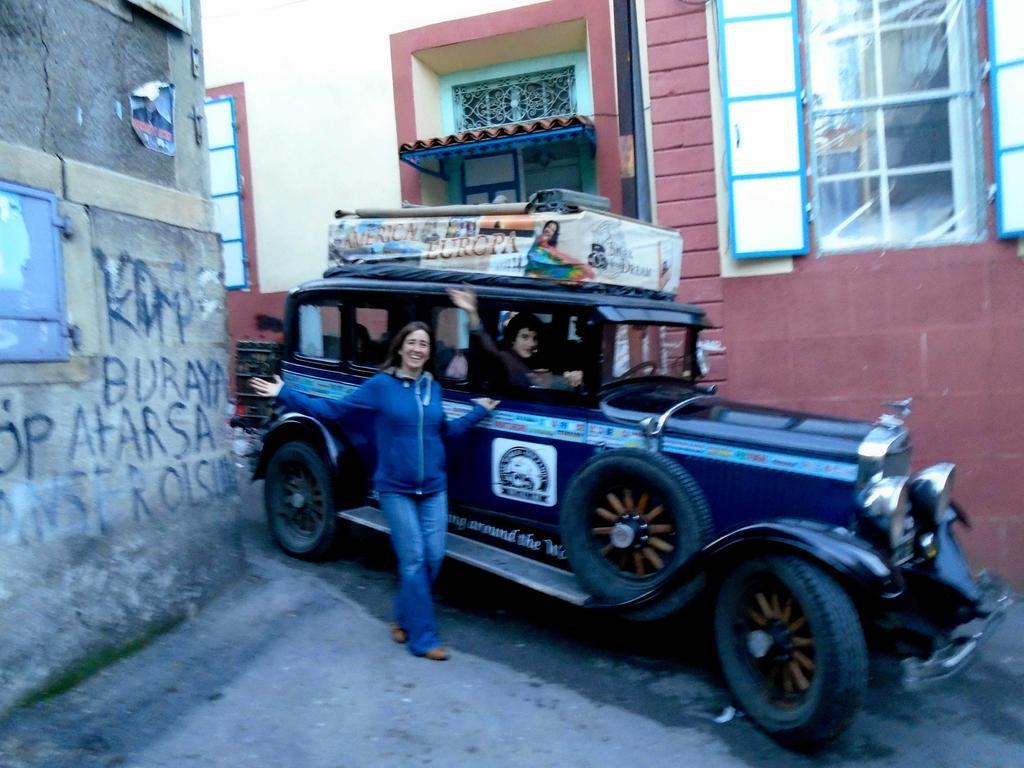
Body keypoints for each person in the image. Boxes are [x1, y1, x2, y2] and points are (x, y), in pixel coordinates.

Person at [251, 322, 499, 661]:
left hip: (433, 488)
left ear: (429, 353)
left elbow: (447, 432)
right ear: (400, 347)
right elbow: (332, 411)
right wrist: (284, 393)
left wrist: (478, 412)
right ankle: (423, 639)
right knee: (413, 559)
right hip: (396, 488)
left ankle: (403, 616)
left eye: (424, 344)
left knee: (433, 557)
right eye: (411, 342)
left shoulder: (432, 388)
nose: (418, 349)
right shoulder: (381, 386)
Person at [447, 287, 583, 390]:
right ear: (512, 338)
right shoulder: (506, 357)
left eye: (535, 338)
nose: (531, 343)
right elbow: (486, 343)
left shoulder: (529, 360)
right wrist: (472, 312)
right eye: (525, 337)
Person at [524, 219, 594, 282]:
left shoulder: (551, 249)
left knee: (575, 270)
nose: (549, 230)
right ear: (544, 228)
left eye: (553, 230)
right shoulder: (537, 240)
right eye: (548, 227)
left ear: (553, 235)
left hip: (546, 273)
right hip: (533, 270)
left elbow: (563, 258)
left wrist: (581, 265)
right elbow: (534, 248)